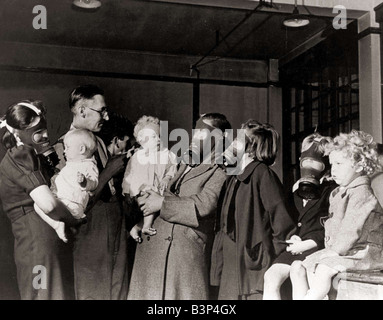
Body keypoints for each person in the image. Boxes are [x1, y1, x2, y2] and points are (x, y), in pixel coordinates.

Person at [127, 113, 230, 300]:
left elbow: (204, 205)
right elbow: (166, 195)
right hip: (154, 250)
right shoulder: (184, 162)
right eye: (195, 131)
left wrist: (161, 203)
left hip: (181, 255)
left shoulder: (220, 171)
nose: (195, 137)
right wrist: (144, 220)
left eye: (203, 132)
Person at [54, 85, 129, 300]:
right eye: (101, 110)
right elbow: (74, 201)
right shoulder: (63, 147)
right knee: (94, 291)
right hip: (91, 226)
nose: (105, 116)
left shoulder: (99, 142)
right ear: (82, 110)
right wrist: (108, 172)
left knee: (118, 289)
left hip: (115, 222)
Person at [0, 100, 81, 300]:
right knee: (44, 295)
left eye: (44, 128)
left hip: (37, 242)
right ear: (18, 133)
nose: (45, 135)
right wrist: (72, 219)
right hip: (38, 242)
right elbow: (48, 204)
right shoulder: (21, 155)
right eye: (37, 130)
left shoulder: (26, 155)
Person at [290, 130, 383, 300]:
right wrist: (331, 250)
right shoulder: (339, 193)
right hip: (346, 250)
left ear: (360, 166)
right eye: (332, 165)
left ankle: (312, 297)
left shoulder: (361, 193)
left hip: (365, 253)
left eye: (339, 164)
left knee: (323, 269)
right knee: (302, 266)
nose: (333, 170)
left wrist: (334, 251)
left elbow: (351, 229)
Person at [210, 120, 296, 300]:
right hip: (231, 262)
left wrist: (266, 256)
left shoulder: (262, 174)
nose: (232, 143)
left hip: (252, 266)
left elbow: (283, 222)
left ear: (251, 147)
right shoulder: (233, 176)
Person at [263, 133, 336, 300]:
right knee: (271, 277)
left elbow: (331, 225)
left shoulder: (331, 191)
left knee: (298, 273)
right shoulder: (296, 190)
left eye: (315, 162)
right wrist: (292, 235)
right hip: (295, 246)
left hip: (315, 248)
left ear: (325, 164)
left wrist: (307, 244)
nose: (309, 166)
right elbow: (288, 217)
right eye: (306, 161)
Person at [34, 129, 98, 243]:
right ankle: (57, 225)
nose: (64, 151)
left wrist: (84, 182)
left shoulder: (88, 165)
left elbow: (94, 183)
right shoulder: (70, 166)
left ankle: (61, 225)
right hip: (61, 201)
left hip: (72, 204)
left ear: (81, 149)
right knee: (37, 204)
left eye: (67, 147)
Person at [122, 115, 177, 242]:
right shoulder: (136, 157)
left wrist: (167, 178)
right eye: (153, 137)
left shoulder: (165, 154)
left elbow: (172, 168)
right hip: (141, 190)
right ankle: (144, 225)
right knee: (147, 203)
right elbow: (128, 175)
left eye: (158, 136)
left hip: (158, 189)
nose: (158, 139)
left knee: (156, 204)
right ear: (141, 140)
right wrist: (126, 192)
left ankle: (139, 226)